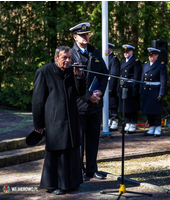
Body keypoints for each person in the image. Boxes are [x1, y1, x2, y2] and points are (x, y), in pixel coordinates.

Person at [32, 46, 86, 195]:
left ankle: (72, 183)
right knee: (57, 152)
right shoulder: (44, 72)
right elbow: (37, 101)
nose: (68, 60)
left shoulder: (71, 71)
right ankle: (54, 184)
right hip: (55, 120)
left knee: (72, 151)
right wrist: (38, 124)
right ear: (56, 58)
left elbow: (80, 92)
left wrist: (79, 77)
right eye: (65, 58)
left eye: (69, 57)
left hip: (71, 119)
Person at [69, 22, 109, 181]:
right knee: (78, 141)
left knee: (93, 139)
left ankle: (92, 170)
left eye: (87, 34)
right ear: (75, 37)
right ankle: (79, 170)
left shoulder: (95, 52)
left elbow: (105, 74)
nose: (86, 37)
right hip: (79, 106)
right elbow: (71, 82)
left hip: (95, 104)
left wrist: (100, 92)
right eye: (82, 35)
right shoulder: (71, 54)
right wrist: (87, 96)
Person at [141, 47, 168, 137]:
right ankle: (151, 126)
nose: (150, 57)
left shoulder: (161, 65)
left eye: (152, 55)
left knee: (156, 110)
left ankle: (158, 127)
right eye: (149, 55)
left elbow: (163, 80)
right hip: (147, 89)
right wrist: (141, 89)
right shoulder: (146, 65)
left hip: (155, 90)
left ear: (157, 55)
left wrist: (161, 93)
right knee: (148, 110)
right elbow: (142, 78)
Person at [118, 44, 142, 133]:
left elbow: (137, 76)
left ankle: (132, 124)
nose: (126, 53)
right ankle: (127, 123)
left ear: (132, 51)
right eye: (124, 52)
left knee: (132, 107)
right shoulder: (123, 62)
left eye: (127, 51)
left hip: (131, 87)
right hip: (123, 86)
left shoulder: (136, 61)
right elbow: (120, 76)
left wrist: (136, 89)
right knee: (125, 107)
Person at [108, 42, 120, 131]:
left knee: (112, 103)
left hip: (111, 84)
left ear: (111, 49)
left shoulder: (114, 59)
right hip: (105, 84)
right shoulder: (105, 58)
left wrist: (111, 87)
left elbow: (114, 74)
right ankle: (108, 119)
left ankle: (114, 120)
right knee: (107, 103)